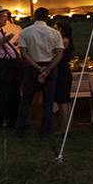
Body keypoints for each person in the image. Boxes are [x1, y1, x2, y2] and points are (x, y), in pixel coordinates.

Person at [15, 7, 64, 138]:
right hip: (50, 66)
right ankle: (45, 130)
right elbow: (59, 54)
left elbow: (24, 54)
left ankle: (21, 129)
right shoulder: (55, 33)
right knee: (48, 101)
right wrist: (47, 70)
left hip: (32, 67)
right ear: (47, 17)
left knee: (26, 100)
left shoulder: (25, 32)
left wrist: (37, 67)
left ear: (34, 17)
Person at [53, 20, 74, 132]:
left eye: (55, 27)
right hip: (63, 71)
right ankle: (65, 126)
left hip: (62, 72)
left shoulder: (64, 41)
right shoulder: (64, 40)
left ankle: (65, 128)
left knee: (63, 101)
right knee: (63, 100)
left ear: (61, 29)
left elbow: (58, 56)